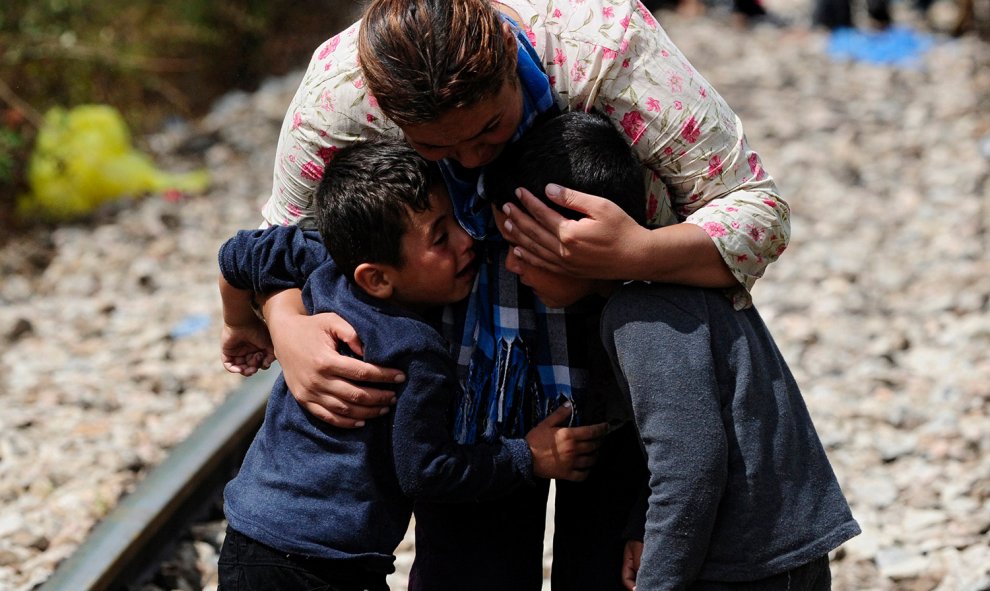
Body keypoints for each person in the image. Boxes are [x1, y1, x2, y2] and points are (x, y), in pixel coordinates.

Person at [223, 0, 790, 588]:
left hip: (620, 337)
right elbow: (283, 243)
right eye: (438, 150)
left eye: (491, 129)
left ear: (512, 66)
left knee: (609, 567)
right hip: (458, 367)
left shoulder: (606, 46)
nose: (472, 160)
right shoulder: (338, 96)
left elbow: (758, 212)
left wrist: (628, 254)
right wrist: (287, 328)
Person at [485, 109, 861, 590]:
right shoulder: (672, 277)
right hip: (778, 551)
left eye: (521, 245)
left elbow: (690, 466)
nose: (512, 267)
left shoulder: (640, 315)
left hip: (749, 566)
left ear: (575, 238)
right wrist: (642, 525)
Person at [216, 138, 607, 590]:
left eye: (456, 222)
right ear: (377, 278)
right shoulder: (415, 352)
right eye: (441, 237)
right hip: (326, 566)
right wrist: (528, 456)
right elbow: (427, 471)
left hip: (250, 536)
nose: (468, 241)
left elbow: (241, 251)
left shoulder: (323, 261)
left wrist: (238, 319)